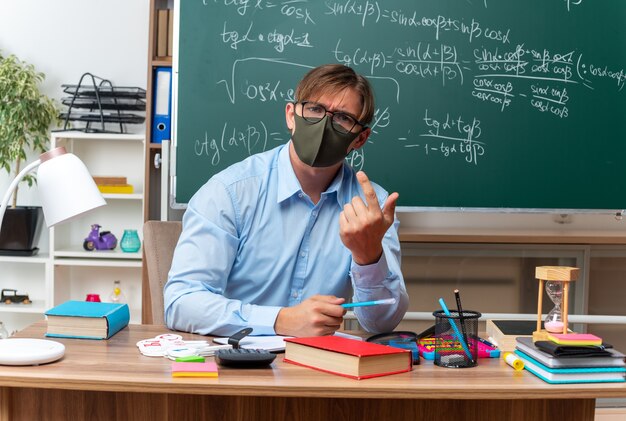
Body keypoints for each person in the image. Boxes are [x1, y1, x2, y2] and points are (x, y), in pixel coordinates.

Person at [164, 64, 408, 337]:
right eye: (315, 109)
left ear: (360, 138)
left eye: (342, 118)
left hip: (319, 368)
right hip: (237, 364)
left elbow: (382, 323)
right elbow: (181, 303)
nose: (325, 124)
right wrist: (279, 320)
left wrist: (368, 257)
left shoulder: (372, 208)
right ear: (291, 116)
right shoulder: (230, 193)